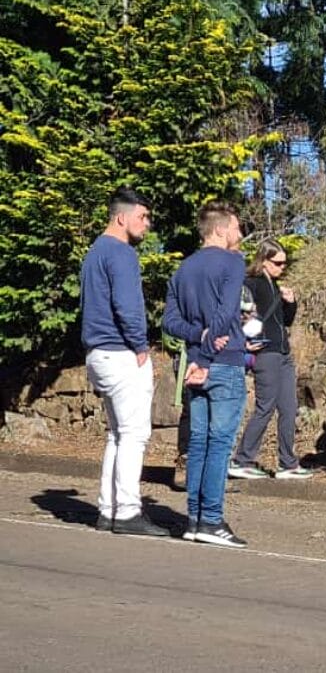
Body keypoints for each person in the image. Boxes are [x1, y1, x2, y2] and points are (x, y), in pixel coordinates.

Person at [80, 186, 168, 536]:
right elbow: (128, 306)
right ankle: (128, 511)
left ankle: (108, 508)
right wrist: (141, 345)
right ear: (122, 216)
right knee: (133, 434)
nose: (147, 224)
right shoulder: (121, 253)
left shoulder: (94, 252)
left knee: (117, 435)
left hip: (97, 354)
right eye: (142, 217)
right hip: (120, 352)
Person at [163, 201, 250, 548]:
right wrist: (210, 352)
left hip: (196, 362)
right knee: (219, 443)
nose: (240, 234)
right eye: (236, 228)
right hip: (223, 362)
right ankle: (211, 519)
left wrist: (198, 346)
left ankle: (195, 519)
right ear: (219, 229)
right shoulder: (232, 261)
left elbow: (169, 321)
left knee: (198, 442)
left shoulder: (182, 269)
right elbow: (227, 311)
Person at [229, 239, 312, 480]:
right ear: (264, 260)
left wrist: (291, 302)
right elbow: (241, 316)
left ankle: (288, 463)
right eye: (277, 263)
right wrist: (244, 342)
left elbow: (285, 321)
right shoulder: (250, 284)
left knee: (289, 407)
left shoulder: (275, 286)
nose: (282, 267)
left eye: (285, 263)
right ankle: (241, 459)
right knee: (266, 406)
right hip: (265, 352)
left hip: (283, 351)